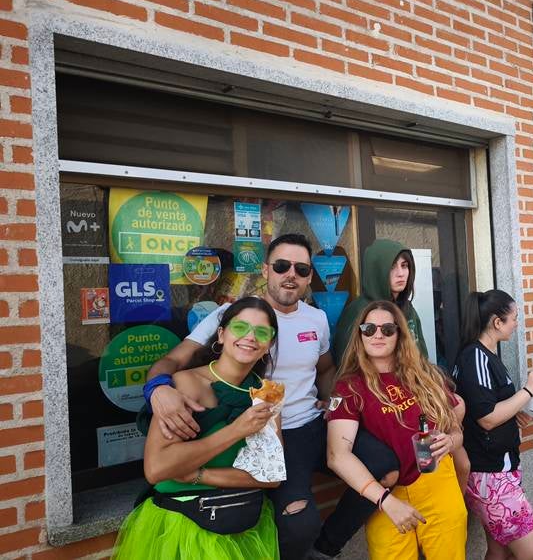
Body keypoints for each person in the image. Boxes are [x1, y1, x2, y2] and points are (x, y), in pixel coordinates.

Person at [143, 234, 354, 560]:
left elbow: (326, 369)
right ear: (266, 269)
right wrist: (157, 388)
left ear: (310, 276)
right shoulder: (227, 319)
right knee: (299, 523)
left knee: (388, 463)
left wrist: (332, 401)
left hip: (306, 425)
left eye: (301, 269)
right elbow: (172, 362)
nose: (291, 275)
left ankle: (328, 547)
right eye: (282, 266)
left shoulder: (313, 323)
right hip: (192, 515)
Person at [115, 298, 282, 559]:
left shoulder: (266, 394)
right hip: (181, 525)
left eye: (262, 332)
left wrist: (197, 474)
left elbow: (270, 476)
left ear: (268, 345)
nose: (250, 337)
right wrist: (236, 430)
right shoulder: (187, 384)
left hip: (240, 520)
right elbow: (157, 468)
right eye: (240, 328)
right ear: (221, 334)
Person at [326, 300, 467, 559]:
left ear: (399, 335)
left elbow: (456, 430)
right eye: (369, 329)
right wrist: (386, 501)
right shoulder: (350, 388)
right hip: (385, 496)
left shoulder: (426, 376)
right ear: (359, 335)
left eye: (387, 329)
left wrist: (450, 442)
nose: (378, 335)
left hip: (437, 483)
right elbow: (337, 455)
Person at [454, 290, 533, 560]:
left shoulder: (486, 355)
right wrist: (528, 391)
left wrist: (517, 408)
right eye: (514, 318)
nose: (517, 324)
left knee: (499, 549)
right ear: (497, 322)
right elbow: (487, 417)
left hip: (498, 470)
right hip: (490, 473)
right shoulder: (476, 357)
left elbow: (493, 408)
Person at [334, 239, 428, 360]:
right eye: (392, 267)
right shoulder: (359, 311)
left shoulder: (407, 309)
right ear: (377, 270)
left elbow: (422, 356)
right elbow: (345, 364)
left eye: (404, 266)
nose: (401, 273)